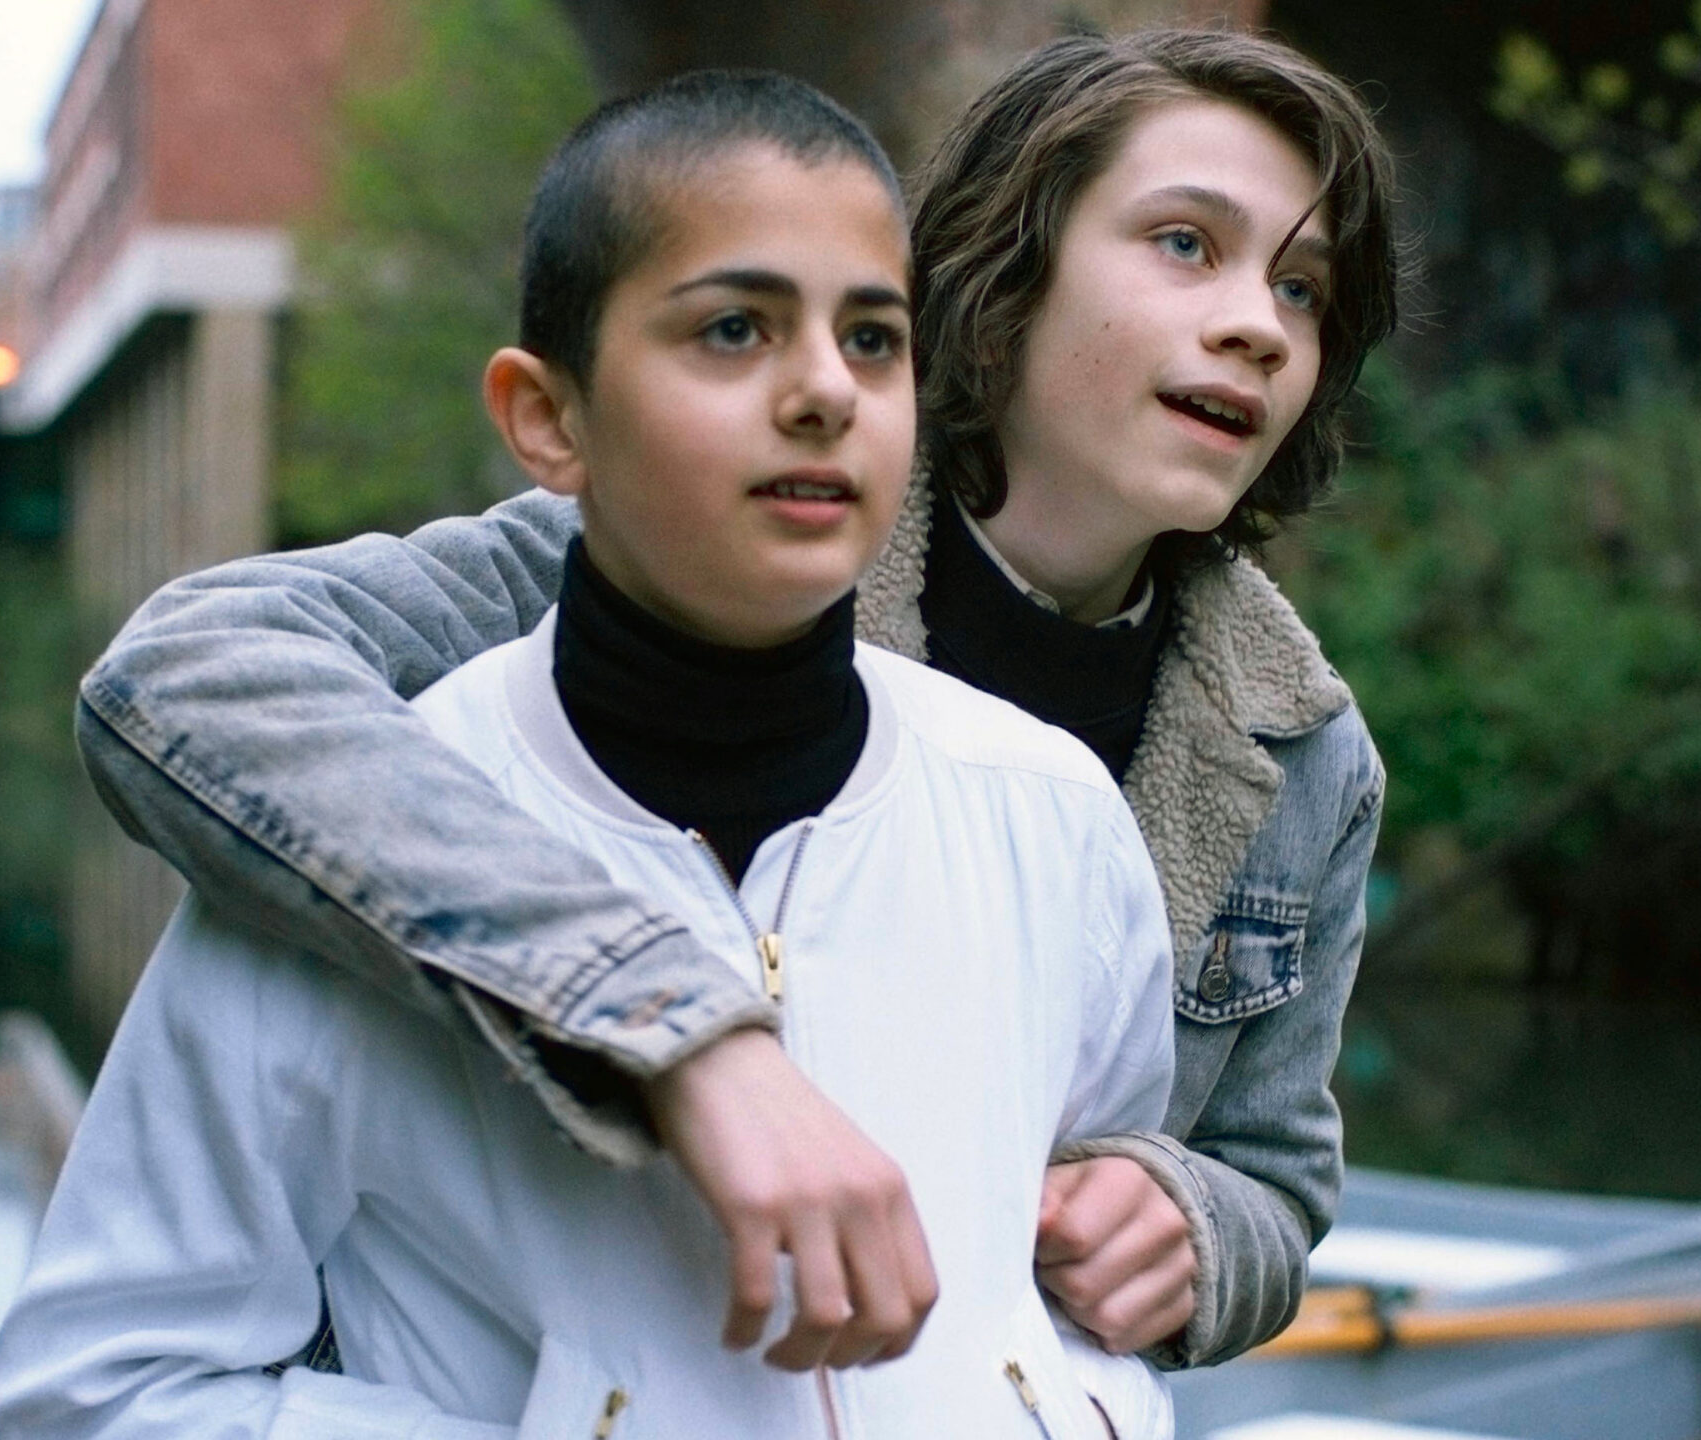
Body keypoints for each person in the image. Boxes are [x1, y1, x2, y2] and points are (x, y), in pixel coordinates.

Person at [70, 25, 1402, 1375]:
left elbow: (1273, 1176)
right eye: (1186, 244)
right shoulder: (668, 551)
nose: (1258, 325)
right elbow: (188, 678)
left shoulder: (1307, 752)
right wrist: (663, 1019)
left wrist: (1192, 1227)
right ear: (1005, 270)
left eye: (1302, 289)